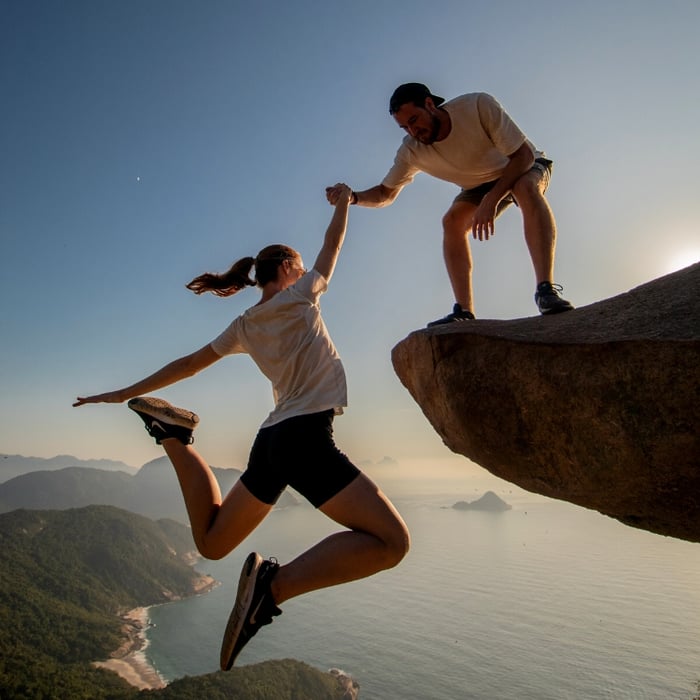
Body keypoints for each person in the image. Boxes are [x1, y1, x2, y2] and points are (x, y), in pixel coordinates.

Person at [73, 183, 410, 670]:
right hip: (304, 438)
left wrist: (123, 393)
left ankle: (173, 437)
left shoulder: (246, 324)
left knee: (211, 544)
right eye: (299, 265)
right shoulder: (303, 293)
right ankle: (273, 587)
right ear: (290, 268)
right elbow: (333, 244)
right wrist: (344, 204)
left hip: (272, 441)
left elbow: (188, 364)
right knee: (392, 543)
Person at [326, 83, 574, 325]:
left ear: (429, 104)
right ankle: (464, 311)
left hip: (521, 167)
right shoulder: (411, 151)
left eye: (414, 120)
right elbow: (385, 193)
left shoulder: (476, 105)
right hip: (477, 187)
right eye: (404, 127)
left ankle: (546, 290)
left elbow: (523, 156)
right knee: (452, 222)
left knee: (525, 188)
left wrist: (493, 198)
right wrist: (353, 197)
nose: (413, 132)